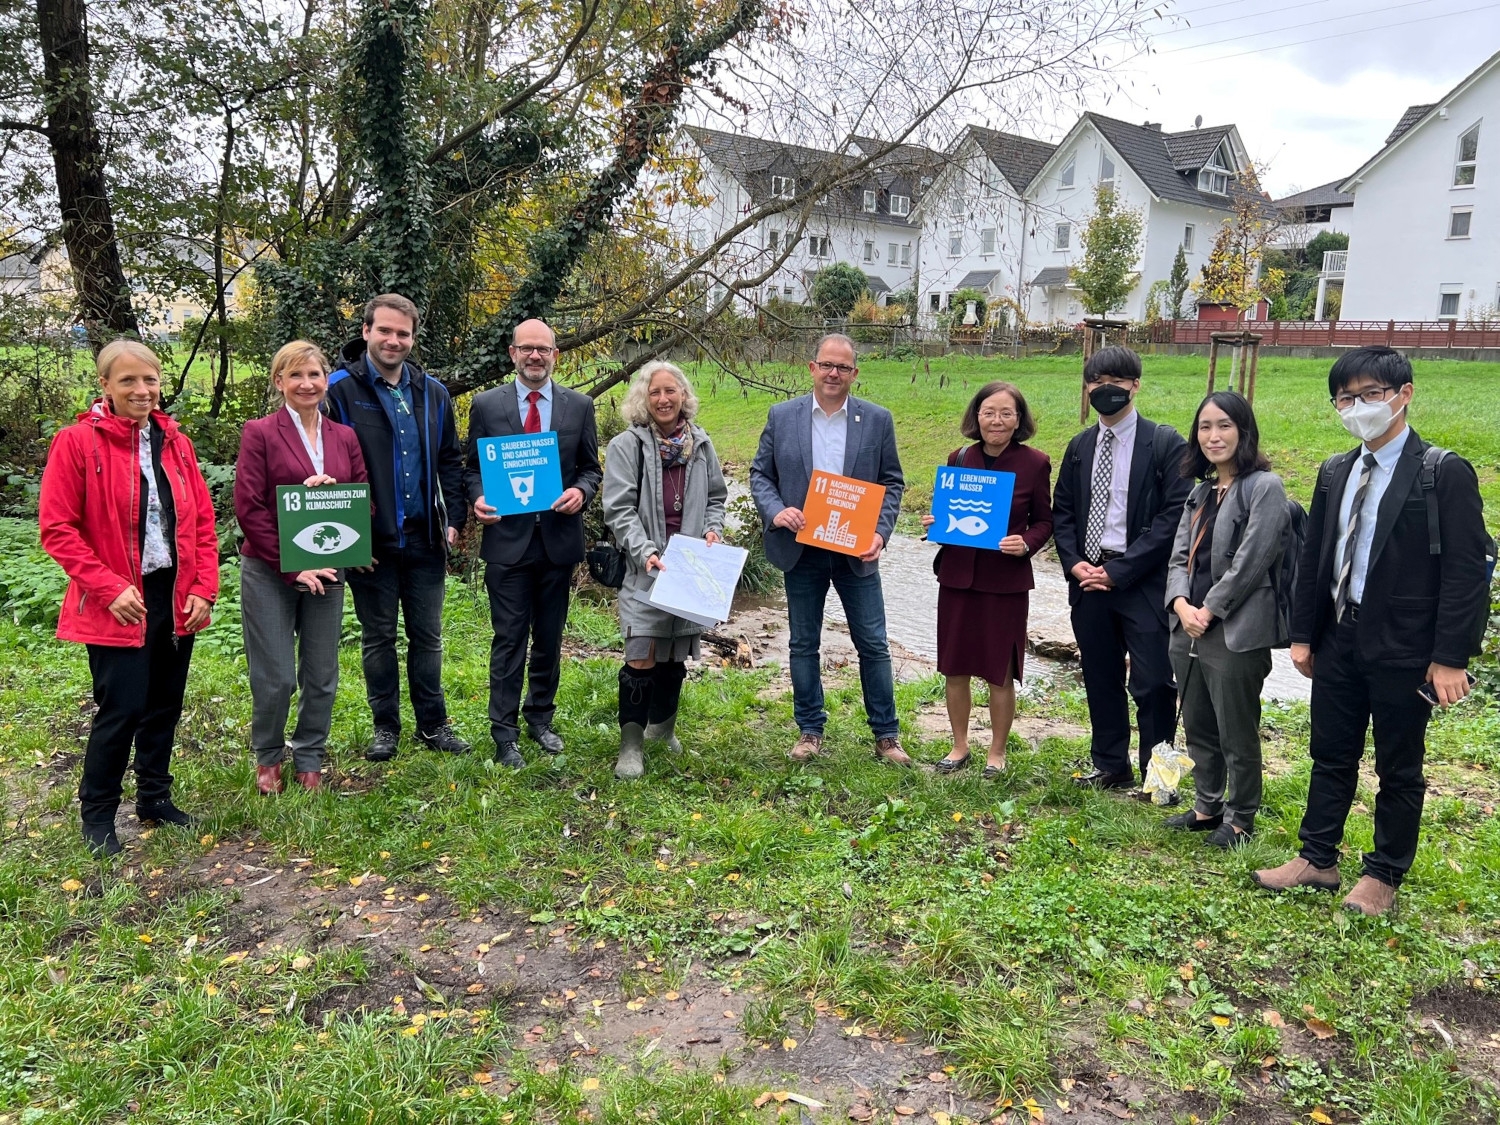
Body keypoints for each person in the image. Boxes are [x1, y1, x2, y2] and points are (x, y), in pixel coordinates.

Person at [1254, 347, 1489, 916]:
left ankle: (1383, 872)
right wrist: (1303, 635)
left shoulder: (1442, 471)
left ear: (1403, 395)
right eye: (1346, 398)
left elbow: (1466, 570)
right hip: (1340, 636)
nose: (1357, 407)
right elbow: (1314, 558)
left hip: (1405, 645)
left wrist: (1450, 657)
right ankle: (1317, 857)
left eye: (1370, 395)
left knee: (1398, 765)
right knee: (1329, 752)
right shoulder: (1337, 471)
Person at [39, 340, 219, 855]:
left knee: (165, 701)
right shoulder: (77, 443)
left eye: (150, 380)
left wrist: (204, 588)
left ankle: (154, 798)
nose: (142, 391)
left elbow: (201, 522)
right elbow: (57, 528)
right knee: (122, 706)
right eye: (128, 381)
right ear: (106, 387)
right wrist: (109, 587)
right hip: (117, 596)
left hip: (173, 592)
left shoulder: (175, 443)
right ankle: (97, 814)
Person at [750, 333, 908, 765]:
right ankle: (809, 730)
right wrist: (777, 510)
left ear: (854, 373)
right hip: (800, 548)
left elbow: (892, 482)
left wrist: (880, 532)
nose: (833, 373)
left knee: (873, 643)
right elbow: (760, 474)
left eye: (843, 367)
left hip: (856, 550)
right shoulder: (783, 416)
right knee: (803, 643)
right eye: (827, 365)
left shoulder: (877, 420)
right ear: (812, 368)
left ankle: (887, 735)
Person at [325, 294, 470, 761]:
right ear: (365, 331)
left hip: (426, 537)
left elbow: (450, 458)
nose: (393, 340)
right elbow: (327, 463)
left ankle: (433, 724)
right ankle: (385, 726)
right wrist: (349, 538)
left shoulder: (433, 392)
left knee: (427, 637)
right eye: (384, 330)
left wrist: (456, 519)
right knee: (379, 637)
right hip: (371, 542)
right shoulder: (338, 390)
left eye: (403, 333)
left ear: (413, 338)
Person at [466, 318, 602, 768]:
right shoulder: (486, 406)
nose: (535, 356)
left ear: (555, 355)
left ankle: (540, 718)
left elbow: (590, 468)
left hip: (557, 542)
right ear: (513, 353)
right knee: (508, 639)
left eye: (543, 349)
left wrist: (581, 492)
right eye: (527, 349)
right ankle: (503, 733)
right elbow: (470, 468)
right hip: (507, 542)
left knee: (548, 637)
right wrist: (477, 497)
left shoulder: (578, 406)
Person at [235, 341, 369, 794]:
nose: (306, 384)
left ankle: (310, 754)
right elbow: (248, 508)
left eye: (314, 375)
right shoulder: (260, 432)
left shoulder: (343, 437)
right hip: (270, 569)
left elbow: (362, 501)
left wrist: (333, 493)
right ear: (280, 382)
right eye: (296, 376)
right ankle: (269, 755)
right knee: (275, 677)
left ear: (325, 380)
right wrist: (292, 569)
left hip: (328, 568)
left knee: (322, 672)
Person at [1053, 345, 1189, 789]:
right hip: (1088, 580)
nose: (1105, 389)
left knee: (1154, 683)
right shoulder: (1080, 446)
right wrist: (1075, 564)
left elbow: (1174, 517)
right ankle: (1110, 765)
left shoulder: (1165, 444)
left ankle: (1161, 778)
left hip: (1144, 581)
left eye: (1116, 380)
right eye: (1096, 381)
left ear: (1135, 385)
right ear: (1086, 387)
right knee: (1100, 675)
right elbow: (1064, 512)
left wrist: (1122, 569)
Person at [1163, 392, 1289, 847]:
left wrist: (1210, 609)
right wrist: (1180, 605)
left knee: (1237, 726)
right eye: (1204, 427)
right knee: (1198, 721)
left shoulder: (1264, 487)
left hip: (1235, 630)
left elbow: (1254, 560)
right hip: (1187, 627)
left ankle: (1240, 817)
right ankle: (1206, 804)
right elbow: (1178, 557)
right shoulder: (1199, 492)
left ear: (1243, 431)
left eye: (1224, 426)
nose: (1213, 436)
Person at [601, 361, 728, 779]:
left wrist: (712, 530)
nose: (663, 399)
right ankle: (631, 746)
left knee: (676, 653)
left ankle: (662, 730)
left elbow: (716, 498)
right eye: (655, 392)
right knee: (642, 653)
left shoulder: (703, 445)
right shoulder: (627, 446)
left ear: (683, 396)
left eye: (671, 391)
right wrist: (645, 550)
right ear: (644, 398)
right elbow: (618, 509)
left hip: (689, 571)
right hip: (646, 568)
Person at [922, 381, 1053, 779]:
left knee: (1000, 672)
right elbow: (948, 517)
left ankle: (997, 752)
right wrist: (935, 523)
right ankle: (959, 745)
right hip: (958, 578)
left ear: (1019, 420)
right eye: (988, 412)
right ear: (976, 417)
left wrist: (1026, 543)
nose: (996, 420)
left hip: (1006, 582)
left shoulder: (1036, 462)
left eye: (1005, 413)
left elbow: (1046, 521)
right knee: (955, 668)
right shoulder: (959, 457)